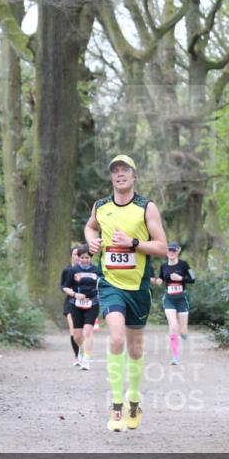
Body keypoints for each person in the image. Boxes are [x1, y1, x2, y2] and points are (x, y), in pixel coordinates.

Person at [85, 154, 168, 432]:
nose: (120, 174)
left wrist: (133, 243)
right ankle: (117, 405)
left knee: (135, 347)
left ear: (134, 175)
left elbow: (162, 248)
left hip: (139, 288)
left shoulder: (147, 208)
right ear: (111, 177)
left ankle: (134, 400)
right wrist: (92, 242)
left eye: (125, 170)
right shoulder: (101, 206)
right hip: (110, 285)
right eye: (115, 171)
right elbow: (90, 226)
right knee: (117, 338)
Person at [151, 242, 195, 365]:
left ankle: (184, 334)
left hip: (182, 299)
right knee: (173, 325)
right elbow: (161, 279)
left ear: (178, 251)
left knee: (182, 331)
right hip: (169, 298)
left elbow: (193, 279)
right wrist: (156, 281)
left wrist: (181, 279)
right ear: (166, 252)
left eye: (174, 251)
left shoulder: (184, 265)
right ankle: (175, 356)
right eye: (169, 250)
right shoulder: (163, 266)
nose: (171, 253)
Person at [61, 246, 101, 370]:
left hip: (92, 304)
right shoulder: (72, 270)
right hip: (75, 304)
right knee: (77, 335)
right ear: (78, 258)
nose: (84, 260)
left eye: (87, 257)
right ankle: (81, 351)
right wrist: (74, 294)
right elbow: (65, 287)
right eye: (82, 257)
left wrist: (98, 296)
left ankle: (87, 360)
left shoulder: (97, 270)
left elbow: (103, 285)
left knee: (88, 332)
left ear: (91, 258)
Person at [59, 246, 81, 366]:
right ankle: (77, 357)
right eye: (75, 254)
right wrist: (73, 292)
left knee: (82, 331)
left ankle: (84, 354)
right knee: (73, 331)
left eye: (79, 255)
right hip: (70, 303)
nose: (77, 257)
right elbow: (62, 287)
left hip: (85, 304)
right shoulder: (67, 271)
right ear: (71, 256)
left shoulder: (87, 270)